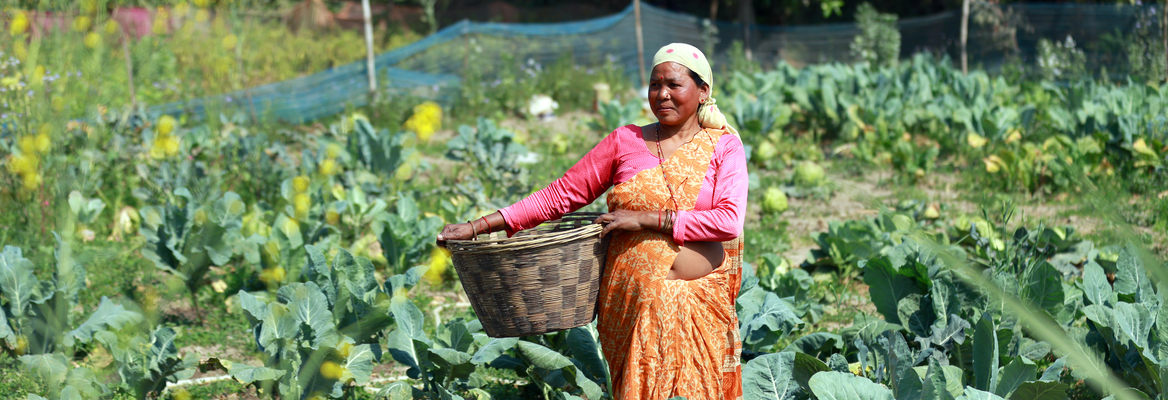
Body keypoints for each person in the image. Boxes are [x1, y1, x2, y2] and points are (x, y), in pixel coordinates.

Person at [437, 43, 748, 400]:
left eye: (674, 85)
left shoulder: (724, 146)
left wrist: (648, 219)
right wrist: (477, 226)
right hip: (629, 302)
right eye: (654, 85)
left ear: (703, 90)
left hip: (701, 303)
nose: (662, 94)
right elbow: (559, 195)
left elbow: (728, 221)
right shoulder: (625, 141)